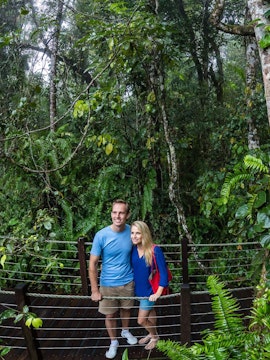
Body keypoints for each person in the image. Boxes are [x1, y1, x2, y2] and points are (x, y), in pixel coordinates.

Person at [89, 199, 138, 359]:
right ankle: (114, 341)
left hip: (128, 281)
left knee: (126, 310)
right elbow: (93, 264)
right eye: (114, 212)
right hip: (107, 284)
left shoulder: (132, 232)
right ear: (111, 214)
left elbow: (143, 250)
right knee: (110, 315)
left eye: (121, 212)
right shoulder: (101, 235)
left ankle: (125, 331)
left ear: (127, 215)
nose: (117, 216)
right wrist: (95, 290)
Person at [131, 220, 169, 350]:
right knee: (151, 312)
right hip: (139, 290)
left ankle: (154, 336)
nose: (134, 236)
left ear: (144, 234)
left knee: (141, 320)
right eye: (132, 233)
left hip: (150, 291)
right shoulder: (133, 249)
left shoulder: (154, 250)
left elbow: (163, 273)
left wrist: (158, 293)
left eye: (138, 233)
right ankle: (151, 333)